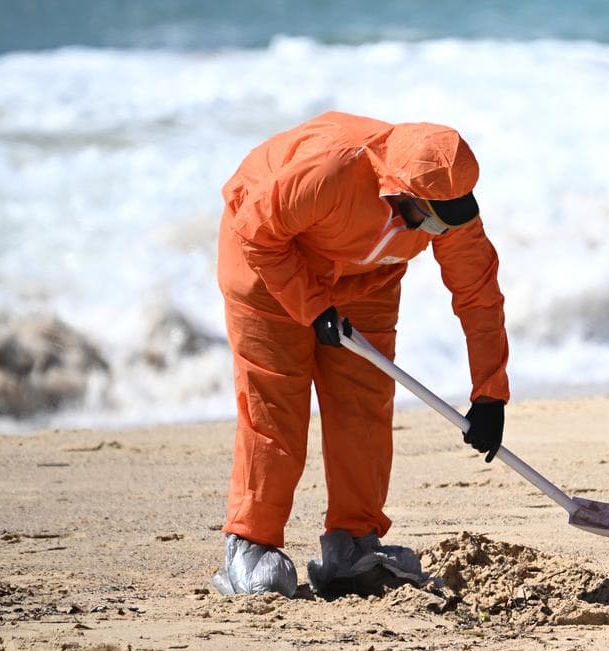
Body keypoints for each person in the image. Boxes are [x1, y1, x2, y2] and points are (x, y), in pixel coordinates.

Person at [211, 111, 509, 597]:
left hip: (366, 278)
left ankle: (352, 542)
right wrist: (312, 306)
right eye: (427, 216)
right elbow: (256, 233)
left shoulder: (448, 202)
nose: (437, 229)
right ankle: (251, 544)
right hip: (268, 264)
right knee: (276, 404)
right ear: (399, 191)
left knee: (364, 402)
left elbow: (478, 293)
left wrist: (490, 393)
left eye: (447, 217)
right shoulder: (330, 173)